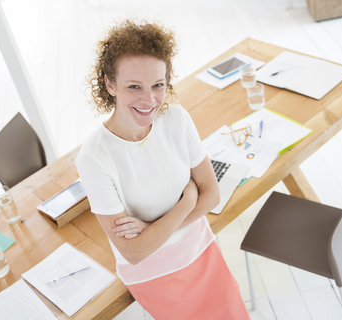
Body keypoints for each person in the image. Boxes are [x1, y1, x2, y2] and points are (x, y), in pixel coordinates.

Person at [76, 19, 250, 320]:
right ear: (110, 84)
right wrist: (186, 202)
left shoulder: (177, 119)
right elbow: (134, 252)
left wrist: (153, 230)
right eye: (134, 87)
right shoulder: (93, 158)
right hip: (155, 274)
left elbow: (211, 195)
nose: (150, 100)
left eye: (158, 85)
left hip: (201, 248)